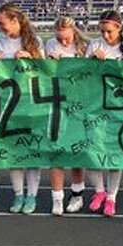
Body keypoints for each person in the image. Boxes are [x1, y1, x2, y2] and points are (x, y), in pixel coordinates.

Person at [0, 3, 45, 213]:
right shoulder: (0, 41)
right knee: (14, 153)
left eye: (2, 23)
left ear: (15, 20)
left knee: (32, 152)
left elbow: (45, 71)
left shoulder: (34, 41)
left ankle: (32, 196)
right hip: (9, 103)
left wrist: (31, 59)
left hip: (31, 103)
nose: (0, 27)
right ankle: (18, 195)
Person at [86, 10, 123, 217]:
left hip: (119, 107)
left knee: (114, 154)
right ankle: (99, 191)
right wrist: (91, 60)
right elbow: (83, 74)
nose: (105, 36)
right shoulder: (94, 45)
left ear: (119, 28)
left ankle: (111, 196)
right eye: (102, 31)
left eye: (109, 31)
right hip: (96, 105)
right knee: (91, 150)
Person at [46, 16, 88, 216]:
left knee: (76, 152)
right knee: (56, 151)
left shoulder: (85, 47)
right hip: (56, 103)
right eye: (60, 38)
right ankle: (57, 197)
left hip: (79, 105)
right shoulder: (50, 45)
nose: (63, 42)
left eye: (67, 39)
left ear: (74, 33)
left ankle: (77, 195)